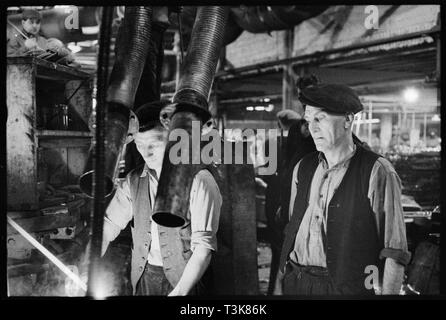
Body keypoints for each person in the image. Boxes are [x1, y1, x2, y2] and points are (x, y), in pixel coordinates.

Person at [274, 83, 410, 295]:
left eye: (320, 118)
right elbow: (291, 231)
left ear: (348, 119)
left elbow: (394, 251)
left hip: (347, 288)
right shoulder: (303, 168)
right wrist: (279, 284)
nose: (313, 128)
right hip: (297, 283)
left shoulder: (377, 171)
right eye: (309, 120)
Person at [80, 101, 222, 296]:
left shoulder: (200, 180)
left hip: (187, 281)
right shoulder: (133, 181)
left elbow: (203, 249)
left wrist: (180, 292)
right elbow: (107, 227)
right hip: (144, 278)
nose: (146, 153)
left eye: (154, 144)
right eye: (139, 144)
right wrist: (88, 266)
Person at [7, 9, 76, 65]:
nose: (35, 26)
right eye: (31, 22)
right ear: (23, 23)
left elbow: (53, 61)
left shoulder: (43, 41)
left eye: (37, 23)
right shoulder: (14, 40)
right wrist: (25, 48)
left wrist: (66, 55)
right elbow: (8, 59)